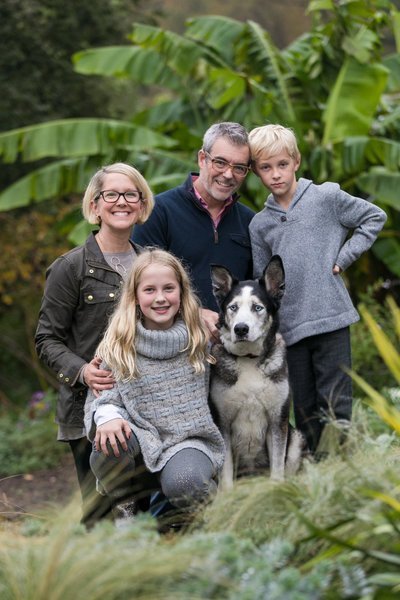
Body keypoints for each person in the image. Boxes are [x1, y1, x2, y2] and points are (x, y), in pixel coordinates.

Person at [248, 124, 387, 454]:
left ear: (295, 161)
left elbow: (374, 217)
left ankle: (341, 469)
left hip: (331, 319)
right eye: (266, 168)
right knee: (306, 409)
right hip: (291, 331)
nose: (276, 175)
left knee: (336, 405)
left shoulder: (326, 198)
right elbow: (262, 282)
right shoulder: (260, 224)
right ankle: (316, 477)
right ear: (255, 172)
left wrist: (344, 257)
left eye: (282, 164)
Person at [35, 163, 154, 526]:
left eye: (130, 194)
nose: (121, 201)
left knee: (143, 513)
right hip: (87, 409)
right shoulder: (71, 267)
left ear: (141, 203)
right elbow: (46, 339)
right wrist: (82, 371)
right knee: (102, 518)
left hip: (146, 409)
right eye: (111, 194)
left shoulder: (151, 263)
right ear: (96, 205)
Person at [84, 248, 225, 526]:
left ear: (182, 293)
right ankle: (127, 518)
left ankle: (214, 524)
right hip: (138, 436)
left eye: (168, 289)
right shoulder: (119, 342)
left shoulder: (201, 336)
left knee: (185, 482)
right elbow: (102, 397)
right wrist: (108, 416)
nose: (160, 298)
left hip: (189, 440)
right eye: (149, 290)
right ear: (135, 296)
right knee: (108, 444)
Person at [132, 121, 255, 339]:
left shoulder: (250, 222)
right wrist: (193, 313)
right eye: (220, 162)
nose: (228, 174)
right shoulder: (159, 212)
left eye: (239, 168)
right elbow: (139, 286)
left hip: (233, 349)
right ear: (202, 158)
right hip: (173, 346)